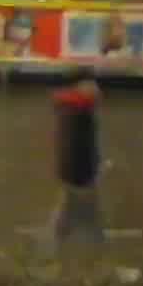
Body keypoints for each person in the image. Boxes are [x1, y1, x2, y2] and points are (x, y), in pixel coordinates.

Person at [46, 82, 102, 246]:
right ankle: (57, 239)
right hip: (80, 171)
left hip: (72, 169)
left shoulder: (68, 109)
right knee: (80, 205)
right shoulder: (81, 112)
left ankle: (59, 235)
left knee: (69, 205)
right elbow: (83, 145)